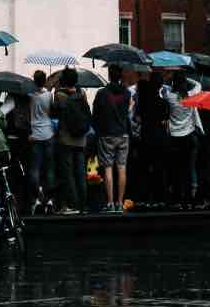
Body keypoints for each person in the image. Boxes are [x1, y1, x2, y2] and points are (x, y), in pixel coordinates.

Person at [92, 67, 131, 214]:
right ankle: (120, 203)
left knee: (108, 168)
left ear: (109, 76)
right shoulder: (127, 93)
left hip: (106, 134)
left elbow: (95, 113)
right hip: (123, 134)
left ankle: (110, 203)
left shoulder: (102, 93)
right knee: (122, 168)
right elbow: (127, 112)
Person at [55, 68, 91, 215]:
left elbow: (54, 113)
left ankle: (72, 204)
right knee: (81, 172)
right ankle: (84, 204)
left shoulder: (59, 95)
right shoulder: (81, 94)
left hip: (66, 138)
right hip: (81, 139)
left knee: (68, 173)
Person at [163, 76, 202, 208]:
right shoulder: (191, 95)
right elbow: (198, 85)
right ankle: (190, 198)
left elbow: (162, 89)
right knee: (189, 167)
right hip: (189, 135)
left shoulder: (170, 97)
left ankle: (177, 197)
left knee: (177, 168)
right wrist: (188, 79)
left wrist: (170, 80)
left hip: (174, 137)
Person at [137, 73, 170, 208]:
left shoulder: (143, 102)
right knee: (159, 168)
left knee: (144, 169)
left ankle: (145, 198)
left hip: (146, 136)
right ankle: (160, 197)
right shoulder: (163, 103)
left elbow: (137, 119)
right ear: (161, 85)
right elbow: (165, 121)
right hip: (160, 138)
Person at [26, 71, 56, 215]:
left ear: (34, 81)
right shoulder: (49, 95)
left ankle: (37, 198)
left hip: (35, 135)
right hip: (49, 133)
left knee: (35, 169)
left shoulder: (30, 97)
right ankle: (49, 200)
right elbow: (52, 112)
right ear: (44, 81)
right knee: (49, 168)